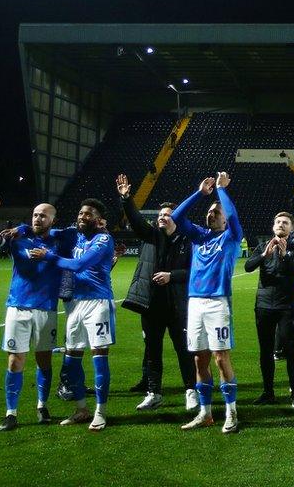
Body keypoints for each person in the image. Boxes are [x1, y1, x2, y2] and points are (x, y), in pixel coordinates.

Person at [0, 197, 64, 431]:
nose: (38, 218)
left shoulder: (60, 240)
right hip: (18, 307)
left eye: (43, 215)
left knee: (44, 359)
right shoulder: (18, 238)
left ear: (53, 220)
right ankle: (11, 413)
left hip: (47, 309)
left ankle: (42, 406)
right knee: (16, 360)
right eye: (35, 214)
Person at [32, 198, 116, 431]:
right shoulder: (73, 235)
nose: (82, 216)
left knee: (99, 359)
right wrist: (21, 229)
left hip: (98, 302)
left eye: (88, 214)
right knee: (70, 361)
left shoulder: (104, 238)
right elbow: (45, 228)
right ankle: (81, 409)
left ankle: (100, 412)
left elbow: (80, 265)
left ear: (99, 220)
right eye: (80, 213)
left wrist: (48, 256)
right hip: (75, 305)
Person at [116, 174, 197, 413]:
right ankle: (154, 393)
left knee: (184, 349)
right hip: (151, 304)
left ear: (177, 218)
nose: (161, 218)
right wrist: (126, 199)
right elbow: (136, 219)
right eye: (160, 215)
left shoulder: (188, 241)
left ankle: (190, 390)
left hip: (177, 305)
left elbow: (194, 272)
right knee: (152, 351)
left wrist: (172, 276)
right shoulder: (151, 235)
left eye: (166, 215)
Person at [172, 173, 243, 434]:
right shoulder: (199, 237)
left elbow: (234, 219)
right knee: (199, 359)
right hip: (195, 304)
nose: (211, 215)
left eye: (216, 212)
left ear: (224, 219)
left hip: (217, 303)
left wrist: (222, 191)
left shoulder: (230, 238)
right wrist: (200, 193)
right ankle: (206, 413)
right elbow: (177, 218)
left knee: (220, 357)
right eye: (210, 212)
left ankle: (231, 413)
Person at [245, 212, 294, 407]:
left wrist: (284, 255)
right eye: (278, 222)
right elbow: (248, 266)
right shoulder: (264, 247)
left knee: (291, 350)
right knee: (265, 350)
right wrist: (265, 255)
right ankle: (268, 392)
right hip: (263, 306)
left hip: (286, 306)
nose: (281, 225)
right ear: (273, 227)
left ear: (291, 228)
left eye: (285, 223)